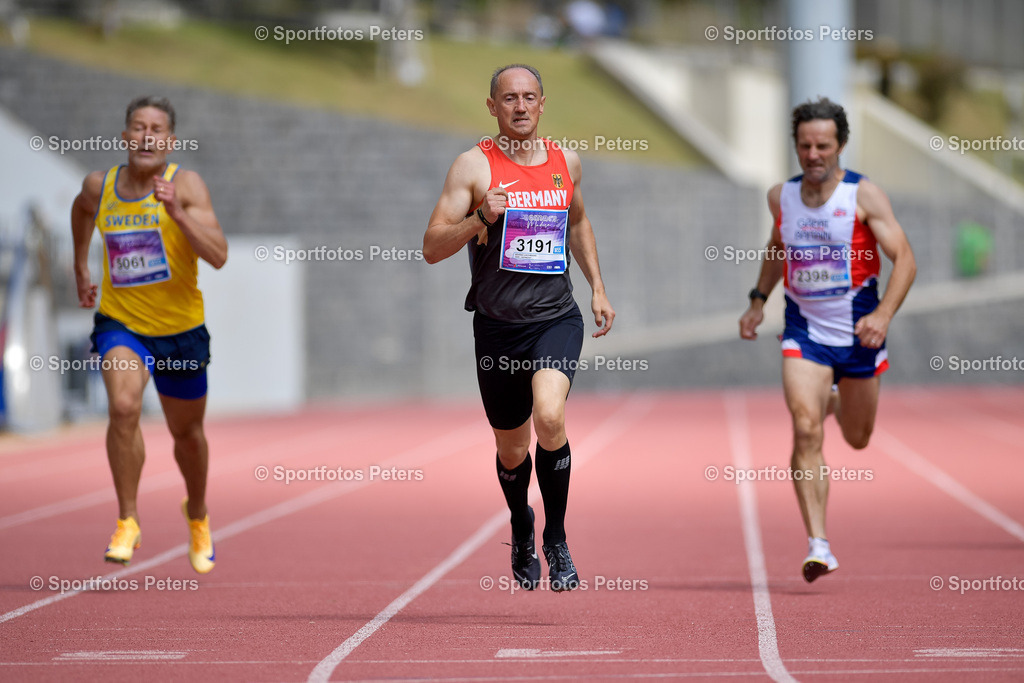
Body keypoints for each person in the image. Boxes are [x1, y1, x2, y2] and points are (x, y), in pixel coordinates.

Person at [424, 64, 615, 591]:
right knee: (513, 448)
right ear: (492, 107)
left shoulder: (565, 161)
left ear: (543, 103)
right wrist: (480, 219)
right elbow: (432, 247)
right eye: (510, 98)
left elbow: (577, 220)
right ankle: (521, 521)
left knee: (550, 416)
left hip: (555, 317)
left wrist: (597, 285)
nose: (521, 106)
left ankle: (556, 535)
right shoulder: (472, 167)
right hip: (497, 328)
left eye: (530, 97)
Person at [739, 97, 916, 583]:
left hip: (860, 334)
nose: (813, 154)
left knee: (858, 439)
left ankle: (834, 404)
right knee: (804, 427)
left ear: (840, 145)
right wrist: (758, 300)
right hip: (805, 332)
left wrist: (883, 314)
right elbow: (779, 247)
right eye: (804, 146)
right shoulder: (782, 197)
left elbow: (906, 260)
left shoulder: (865, 196)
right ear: (795, 146)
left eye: (822, 145)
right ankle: (819, 542)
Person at [71, 96, 228, 574]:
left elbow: (218, 255)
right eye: (137, 127)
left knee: (188, 435)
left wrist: (178, 214)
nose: (145, 136)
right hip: (122, 322)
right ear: (124, 137)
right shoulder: (100, 186)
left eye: (156, 129)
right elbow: (81, 212)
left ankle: (197, 515)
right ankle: (128, 519)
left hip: (180, 332)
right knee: (122, 407)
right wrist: (80, 263)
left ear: (170, 142)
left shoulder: (187, 184)